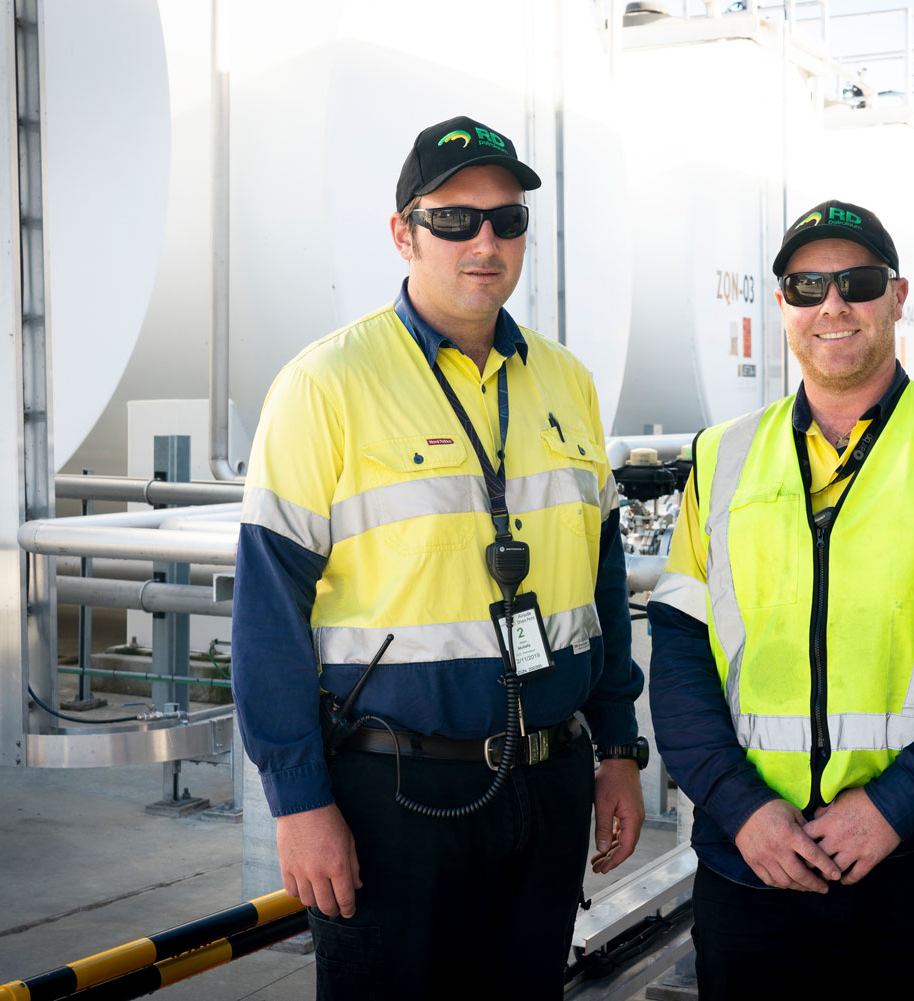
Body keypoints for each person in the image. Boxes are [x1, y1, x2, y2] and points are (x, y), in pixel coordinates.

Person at [231, 115, 646, 1000]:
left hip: (548, 781)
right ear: (404, 233)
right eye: (454, 219)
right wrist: (300, 802)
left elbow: (601, 585)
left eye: (507, 219)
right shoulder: (326, 385)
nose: (484, 241)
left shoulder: (567, 383)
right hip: (394, 793)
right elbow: (267, 611)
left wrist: (618, 747)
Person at [647, 200, 914, 997]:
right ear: (782, 307)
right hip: (752, 864)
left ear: (897, 297)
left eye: (856, 281)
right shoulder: (721, 457)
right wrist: (741, 808)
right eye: (806, 286)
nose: (831, 304)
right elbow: (679, 651)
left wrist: (895, 804)